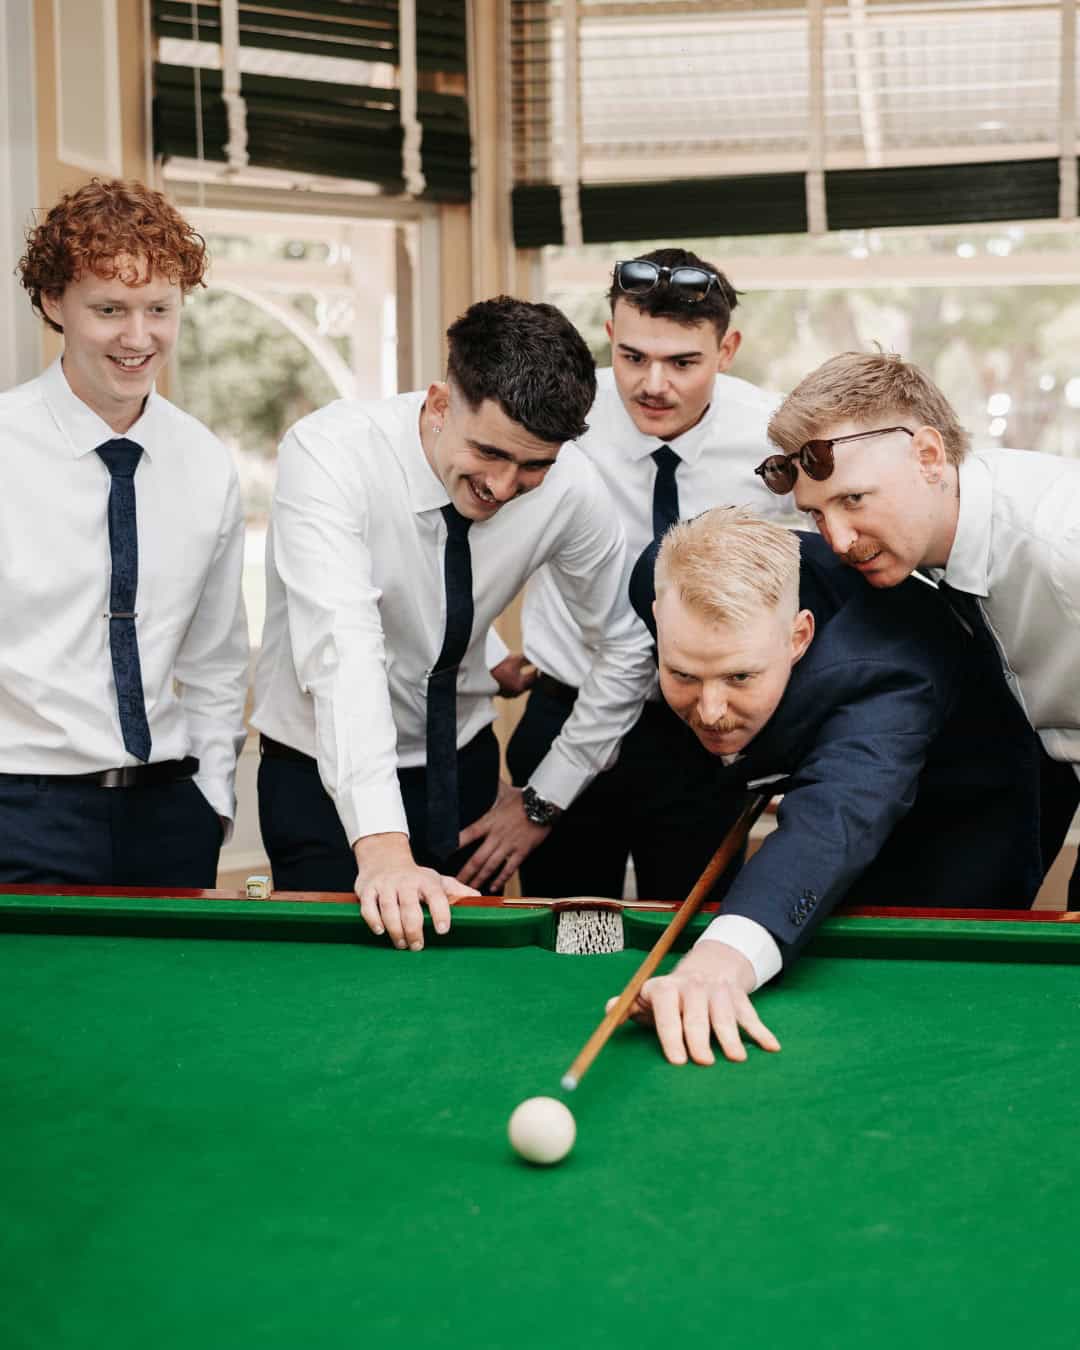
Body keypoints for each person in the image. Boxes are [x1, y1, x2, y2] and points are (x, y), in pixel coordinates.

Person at [252, 297, 655, 951]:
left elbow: (628, 639)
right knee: (336, 1003)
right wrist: (382, 846)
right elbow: (342, 648)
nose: (502, 485)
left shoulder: (571, 489)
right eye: (489, 452)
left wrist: (544, 797)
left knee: (465, 1000)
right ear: (440, 405)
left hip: (464, 776)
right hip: (319, 780)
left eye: (533, 465)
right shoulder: (329, 454)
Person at [621, 507, 1043, 1066]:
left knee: (921, 1024)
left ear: (798, 638)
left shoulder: (888, 662)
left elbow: (837, 815)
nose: (711, 710)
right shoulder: (658, 577)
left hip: (965, 806)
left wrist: (718, 962)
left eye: (739, 677)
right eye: (683, 675)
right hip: (842, 752)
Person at [503, 247, 787, 902]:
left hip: (701, 736)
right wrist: (484, 651)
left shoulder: (776, 435)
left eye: (682, 362)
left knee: (690, 936)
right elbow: (468, 522)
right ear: (609, 336)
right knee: (571, 938)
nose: (652, 384)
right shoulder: (561, 416)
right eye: (633, 357)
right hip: (566, 708)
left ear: (728, 348)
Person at [760, 351, 1080, 904]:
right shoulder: (923, 535)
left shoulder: (1062, 542)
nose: (838, 539)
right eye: (816, 513)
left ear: (929, 455)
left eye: (853, 499)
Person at [1, 178, 249, 886]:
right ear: (54, 303)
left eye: (159, 310)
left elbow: (216, 658)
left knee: (174, 1004)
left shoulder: (203, 459)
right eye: (109, 309)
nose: (138, 339)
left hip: (170, 812)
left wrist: (213, 800)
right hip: (19, 807)